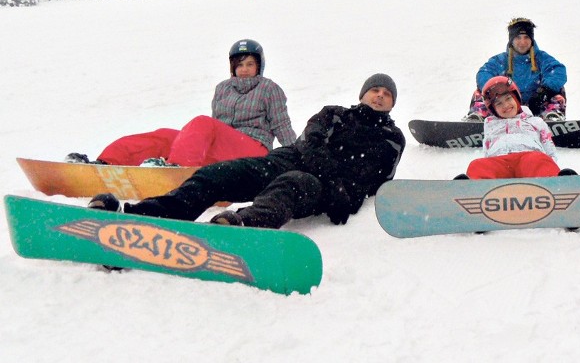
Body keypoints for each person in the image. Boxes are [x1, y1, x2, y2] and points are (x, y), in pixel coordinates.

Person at [88, 73, 406, 229]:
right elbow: (307, 142)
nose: (379, 96)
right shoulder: (333, 112)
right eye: (375, 90)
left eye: (386, 94)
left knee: (292, 184)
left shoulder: (392, 138)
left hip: (326, 188)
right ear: (363, 94)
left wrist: (339, 188)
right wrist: (325, 163)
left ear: (392, 103)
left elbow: (372, 182)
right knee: (219, 173)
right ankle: (143, 216)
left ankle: (240, 225)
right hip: (289, 159)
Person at [66, 39, 296, 167]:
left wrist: (296, 159)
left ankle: (174, 170)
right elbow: (216, 130)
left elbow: (282, 126)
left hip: (253, 150)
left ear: (259, 66)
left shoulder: (269, 88)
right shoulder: (223, 88)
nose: (244, 70)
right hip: (224, 149)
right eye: (239, 64)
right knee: (165, 135)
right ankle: (105, 162)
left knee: (202, 124)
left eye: (249, 64)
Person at [455, 77, 575, 180]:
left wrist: (549, 165)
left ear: (516, 98)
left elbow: (549, 148)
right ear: (493, 109)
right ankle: (472, 191)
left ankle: (555, 186)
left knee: (539, 159)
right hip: (500, 161)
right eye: (499, 104)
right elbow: (487, 148)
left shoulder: (535, 121)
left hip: (528, 157)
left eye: (508, 99)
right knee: (477, 165)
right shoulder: (490, 124)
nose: (506, 105)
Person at [463, 18, 567, 122]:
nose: (522, 42)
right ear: (511, 40)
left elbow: (557, 71)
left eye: (526, 37)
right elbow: (484, 73)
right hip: (505, 105)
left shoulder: (541, 58)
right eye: (518, 37)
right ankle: (477, 119)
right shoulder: (500, 60)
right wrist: (496, 91)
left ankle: (552, 118)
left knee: (557, 90)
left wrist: (544, 92)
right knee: (481, 92)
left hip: (537, 105)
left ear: (532, 40)